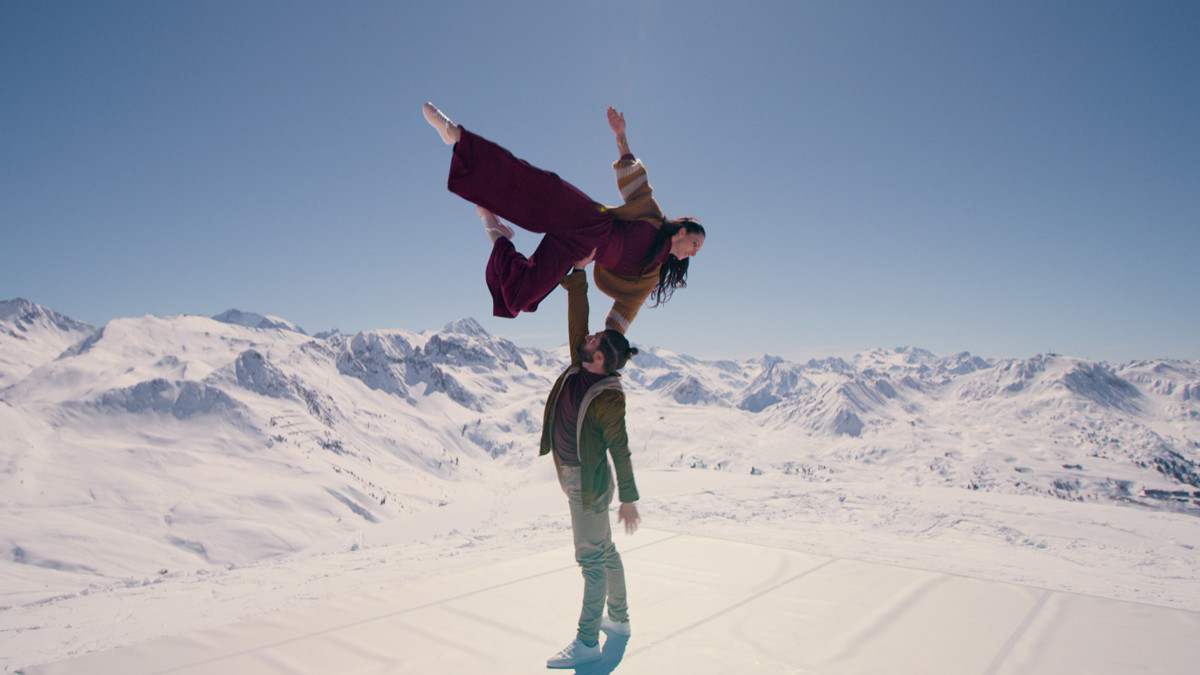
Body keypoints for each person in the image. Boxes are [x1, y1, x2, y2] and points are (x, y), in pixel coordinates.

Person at [422, 102, 705, 334]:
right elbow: (634, 181)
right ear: (682, 232)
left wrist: (607, 348)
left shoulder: (648, 276)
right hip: (593, 220)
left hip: (578, 250)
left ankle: (494, 231)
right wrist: (620, 134)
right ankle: (455, 134)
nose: (694, 253)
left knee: (522, 297)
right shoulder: (652, 216)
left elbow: (624, 314)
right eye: (695, 245)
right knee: (532, 184)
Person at [540, 251, 641, 669]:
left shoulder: (607, 398)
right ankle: (617, 620)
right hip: (573, 476)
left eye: (594, 342)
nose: (587, 339)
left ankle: (585, 643)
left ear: (600, 360)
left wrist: (630, 498)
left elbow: (621, 448)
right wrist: (578, 272)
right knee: (606, 552)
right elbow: (577, 322)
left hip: (588, 484)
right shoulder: (582, 367)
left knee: (591, 560)